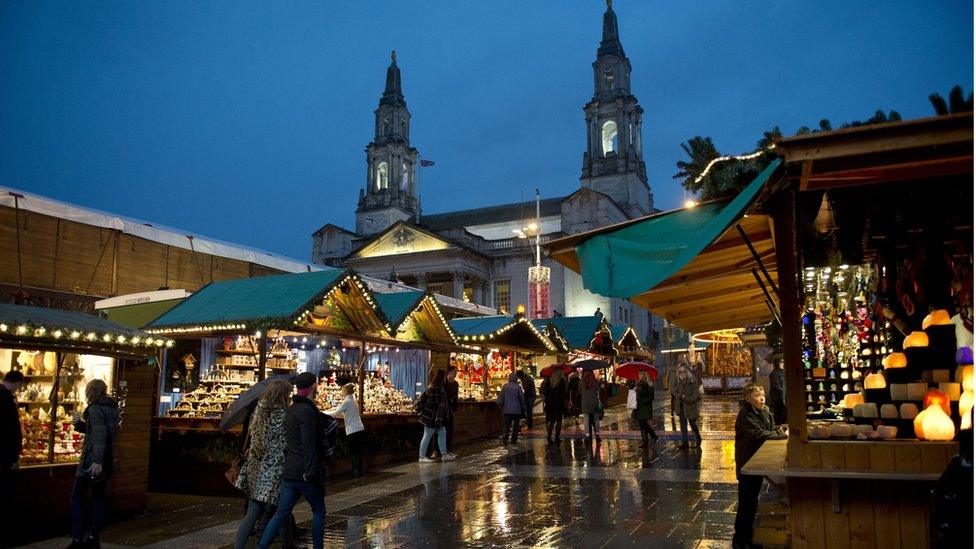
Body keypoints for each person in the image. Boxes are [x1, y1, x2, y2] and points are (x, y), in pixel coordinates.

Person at [258, 372, 326, 549]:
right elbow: (308, 444)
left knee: (281, 514)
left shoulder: (292, 408)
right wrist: (312, 471)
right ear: (313, 387)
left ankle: (262, 546)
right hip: (305, 472)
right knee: (319, 511)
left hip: (290, 471)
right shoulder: (307, 411)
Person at [234, 380, 294, 549]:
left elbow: (255, 437)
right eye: (288, 393)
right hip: (273, 467)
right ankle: (284, 544)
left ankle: (239, 546)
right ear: (283, 394)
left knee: (258, 509)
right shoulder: (280, 413)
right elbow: (282, 441)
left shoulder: (258, 409)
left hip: (255, 465)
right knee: (279, 507)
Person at [733, 383, 786, 549]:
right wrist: (778, 435)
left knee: (752, 501)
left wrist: (780, 429)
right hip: (747, 462)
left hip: (757, 461)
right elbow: (757, 434)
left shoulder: (765, 411)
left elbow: (768, 429)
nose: (761, 397)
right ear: (748, 399)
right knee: (746, 502)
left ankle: (748, 537)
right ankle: (740, 540)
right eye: (757, 395)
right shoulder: (745, 415)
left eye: (762, 394)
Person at [69, 379, 120, 549]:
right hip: (106, 459)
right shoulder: (111, 408)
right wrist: (79, 425)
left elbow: (99, 434)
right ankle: (93, 537)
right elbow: (101, 431)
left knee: (77, 497)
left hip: (92, 461)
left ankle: (77, 539)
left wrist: (96, 460)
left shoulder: (95, 408)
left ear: (91, 390)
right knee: (98, 499)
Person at [0, 370, 23, 546]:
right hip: (5, 457)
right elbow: (12, 431)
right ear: (16, 384)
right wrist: (15, 455)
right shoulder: (7, 400)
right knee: (6, 496)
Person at [325, 383, 365, 477]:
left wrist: (324, 413)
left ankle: (355, 471)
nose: (341, 392)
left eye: (342, 391)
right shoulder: (353, 400)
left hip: (353, 430)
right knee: (358, 451)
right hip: (359, 428)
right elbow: (340, 409)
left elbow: (336, 413)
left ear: (346, 391)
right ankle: (359, 470)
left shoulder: (347, 401)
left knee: (353, 451)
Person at [417, 370, 454, 462]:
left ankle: (444, 454)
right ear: (441, 378)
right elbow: (435, 403)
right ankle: (422, 456)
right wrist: (438, 416)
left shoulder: (434, 387)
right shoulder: (436, 388)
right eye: (444, 376)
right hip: (432, 417)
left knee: (442, 433)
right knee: (428, 435)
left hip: (434, 416)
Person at [675, 361, 703, 449]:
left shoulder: (693, 383)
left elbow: (694, 397)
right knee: (683, 426)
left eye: (683, 372)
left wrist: (684, 398)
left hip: (690, 407)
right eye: (680, 373)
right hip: (682, 407)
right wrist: (678, 397)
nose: (681, 374)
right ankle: (685, 443)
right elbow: (678, 394)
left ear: (687, 373)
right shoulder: (680, 383)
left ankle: (698, 436)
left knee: (692, 424)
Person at [540, 368, 567, 443]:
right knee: (559, 421)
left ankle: (549, 436)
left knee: (551, 421)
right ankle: (557, 438)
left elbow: (546, 393)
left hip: (550, 404)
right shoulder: (561, 381)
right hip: (559, 404)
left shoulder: (549, 381)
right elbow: (564, 394)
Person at [497, 373, 525, 444]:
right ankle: (513, 439)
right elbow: (521, 398)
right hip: (516, 409)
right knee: (516, 425)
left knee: (507, 424)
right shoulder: (518, 387)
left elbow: (501, 397)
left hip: (507, 409)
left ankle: (505, 438)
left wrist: (500, 404)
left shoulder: (505, 386)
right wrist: (522, 406)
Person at [635, 371, 659, 447]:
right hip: (639, 406)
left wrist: (643, 400)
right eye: (639, 374)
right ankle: (644, 442)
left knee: (643, 423)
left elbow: (651, 396)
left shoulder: (649, 384)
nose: (639, 375)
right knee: (641, 424)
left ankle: (654, 436)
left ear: (644, 375)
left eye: (640, 374)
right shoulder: (638, 383)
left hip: (645, 406)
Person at [580, 370, 603, 444]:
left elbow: (580, 392)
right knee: (596, 420)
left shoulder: (582, 382)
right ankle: (597, 436)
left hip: (585, 403)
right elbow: (598, 391)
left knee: (586, 421)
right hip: (594, 403)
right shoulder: (595, 381)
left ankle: (587, 437)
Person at [768, 359, 787, 425]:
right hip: (777, 397)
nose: (783, 364)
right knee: (778, 412)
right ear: (777, 363)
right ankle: (778, 426)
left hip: (782, 396)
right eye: (781, 362)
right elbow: (776, 386)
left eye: (783, 362)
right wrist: (783, 391)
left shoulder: (782, 372)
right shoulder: (774, 374)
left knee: (783, 412)